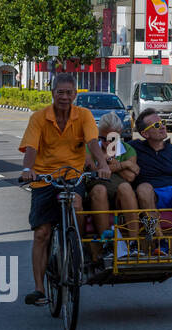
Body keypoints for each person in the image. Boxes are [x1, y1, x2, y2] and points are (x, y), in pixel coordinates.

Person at [19, 73, 111, 305]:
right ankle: (40, 289)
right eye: (60, 92)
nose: (64, 97)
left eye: (69, 93)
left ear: (75, 95)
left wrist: (102, 164)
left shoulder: (84, 116)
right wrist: (28, 169)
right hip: (44, 179)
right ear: (52, 93)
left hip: (73, 177)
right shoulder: (39, 118)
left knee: (77, 203)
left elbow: (92, 142)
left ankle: (75, 246)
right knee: (42, 233)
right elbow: (31, 146)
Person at [130, 110, 172, 256]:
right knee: (143, 188)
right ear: (145, 134)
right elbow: (112, 145)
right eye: (156, 125)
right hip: (151, 195)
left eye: (163, 123)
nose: (162, 126)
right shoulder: (135, 148)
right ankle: (161, 240)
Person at [84, 113, 140, 261]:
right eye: (102, 139)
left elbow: (130, 177)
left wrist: (120, 164)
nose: (106, 143)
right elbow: (94, 171)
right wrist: (124, 165)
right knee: (100, 190)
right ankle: (107, 245)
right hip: (95, 191)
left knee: (126, 188)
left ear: (119, 134)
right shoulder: (91, 148)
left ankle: (133, 243)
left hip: (119, 193)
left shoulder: (128, 150)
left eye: (111, 139)